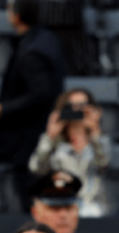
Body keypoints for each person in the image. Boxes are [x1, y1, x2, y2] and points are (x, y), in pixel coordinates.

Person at [0, 0, 65, 213]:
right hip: (36, 134)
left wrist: (2, 109)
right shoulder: (47, 39)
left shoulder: (31, 52)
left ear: (16, 16)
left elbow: (40, 93)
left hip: (27, 139)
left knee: (30, 196)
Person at [29, 89, 111, 218]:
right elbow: (37, 168)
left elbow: (104, 164)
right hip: (61, 204)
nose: (77, 110)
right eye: (71, 106)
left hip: (95, 208)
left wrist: (95, 132)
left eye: (83, 105)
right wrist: (50, 137)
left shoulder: (100, 141)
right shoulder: (54, 142)